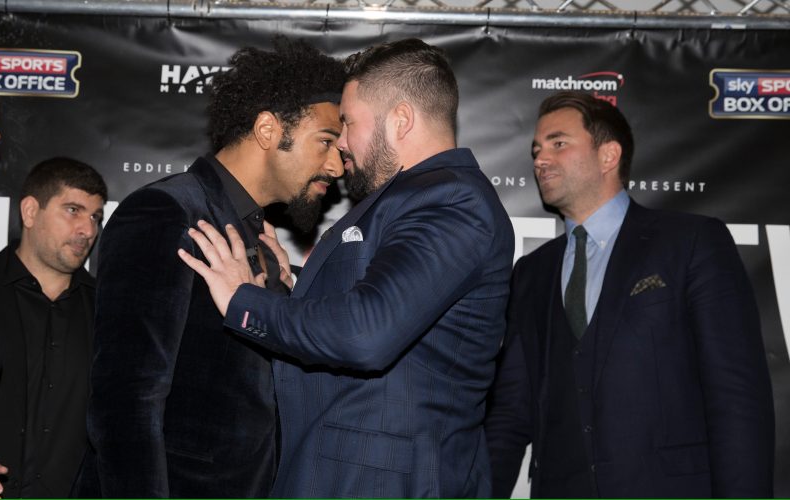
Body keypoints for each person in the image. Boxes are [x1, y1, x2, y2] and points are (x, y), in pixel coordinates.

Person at [179, 38, 514, 497]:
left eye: (349, 124)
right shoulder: (411, 198)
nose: (342, 145)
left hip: (382, 482)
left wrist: (244, 300)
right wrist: (290, 289)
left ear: (400, 120)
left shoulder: (452, 200)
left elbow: (365, 332)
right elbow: (385, 311)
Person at [74, 37, 345, 497]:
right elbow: (125, 404)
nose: (338, 165)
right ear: (267, 130)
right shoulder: (166, 212)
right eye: (326, 142)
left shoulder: (258, 237)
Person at [484, 90, 775, 497]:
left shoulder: (690, 244)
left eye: (558, 144)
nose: (540, 160)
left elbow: (736, 399)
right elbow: (510, 416)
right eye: (536, 149)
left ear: (609, 156)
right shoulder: (531, 273)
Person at [0, 158, 107, 498]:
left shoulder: (108, 311)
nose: (88, 230)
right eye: (73, 210)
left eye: (95, 217)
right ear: (30, 211)